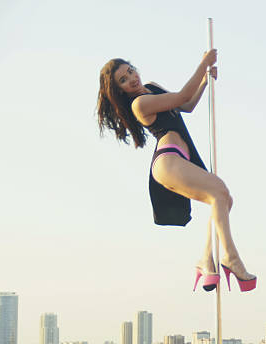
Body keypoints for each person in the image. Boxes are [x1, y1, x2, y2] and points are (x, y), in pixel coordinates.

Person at [96, 50, 256, 292]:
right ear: (120, 90)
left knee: (224, 200)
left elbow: (186, 104)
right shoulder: (139, 104)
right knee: (219, 192)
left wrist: (205, 80)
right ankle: (230, 258)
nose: (131, 78)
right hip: (168, 160)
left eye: (130, 71)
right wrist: (203, 63)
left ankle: (206, 259)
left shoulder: (152, 88)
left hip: (181, 158)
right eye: (123, 80)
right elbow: (182, 94)